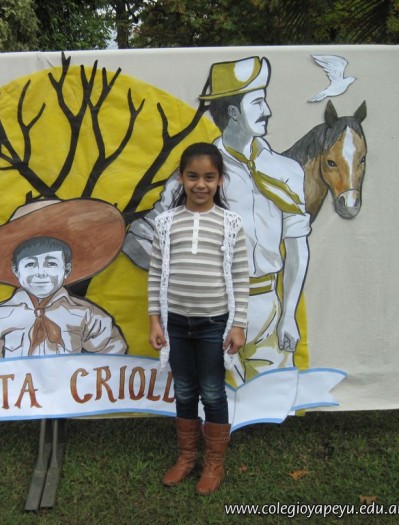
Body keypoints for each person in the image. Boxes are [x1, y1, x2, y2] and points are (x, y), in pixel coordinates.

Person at [199, 56, 311, 384]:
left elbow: (297, 248)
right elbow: (156, 238)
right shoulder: (201, 172)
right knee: (217, 394)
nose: (268, 111)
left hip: (266, 303)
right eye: (258, 102)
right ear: (234, 111)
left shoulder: (286, 170)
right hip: (215, 305)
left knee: (272, 392)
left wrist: (288, 314)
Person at [148, 142, 249, 495]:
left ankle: (214, 463)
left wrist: (238, 324)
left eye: (209, 177)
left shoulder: (230, 224)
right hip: (175, 324)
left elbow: (240, 276)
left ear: (220, 180)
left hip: (213, 326)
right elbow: (156, 273)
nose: (201, 184)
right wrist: (155, 319)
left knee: (212, 391)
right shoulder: (166, 223)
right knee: (185, 390)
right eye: (193, 176)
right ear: (181, 178)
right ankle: (187, 456)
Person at [0, 199, 127, 360]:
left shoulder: (86, 314)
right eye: (30, 264)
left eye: (51, 263)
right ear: (15, 270)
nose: (41, 273)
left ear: (66, 270)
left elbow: (114, 355)